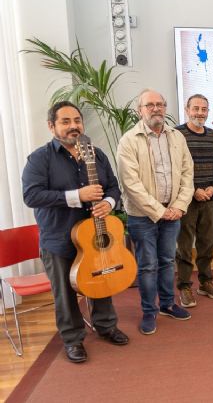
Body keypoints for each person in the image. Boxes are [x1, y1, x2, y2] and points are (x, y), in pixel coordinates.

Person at [22, 101, 128, 363]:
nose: (73, 126)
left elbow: (113, 187)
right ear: (52, 126)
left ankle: (105, 326)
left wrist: (109, 203)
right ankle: (73, 339)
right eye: (65, 121)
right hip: (58, 238)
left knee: (102, 280)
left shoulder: (97, 154)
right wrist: (76, 196)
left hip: (95, 235)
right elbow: (31, 195)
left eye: (77, 121)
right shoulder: (40, 158)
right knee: (65, 294)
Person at [117, 89, 194, 335]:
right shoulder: (129, 140)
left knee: (167, 260)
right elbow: (131, 184)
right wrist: (159, 211)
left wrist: (179, 206)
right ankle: (149, 311)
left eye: (160, 104)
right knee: (148, 265)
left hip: (173, 213)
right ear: (140, 110)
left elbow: (187, 173)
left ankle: (168, 304)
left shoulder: (177, 137)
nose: (156, 108)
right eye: (150, 105)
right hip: (143, 216)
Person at [174, 94, 213, 308]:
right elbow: (175, 168)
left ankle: (206, 282)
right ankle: (184, 286)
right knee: (185, 245)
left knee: (207, 243)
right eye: (196, 108)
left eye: (204, 109)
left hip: (208, 199)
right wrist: (193, 190)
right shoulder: (177, 134)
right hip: (186, 200)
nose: (200, 113)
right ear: (187, 110)